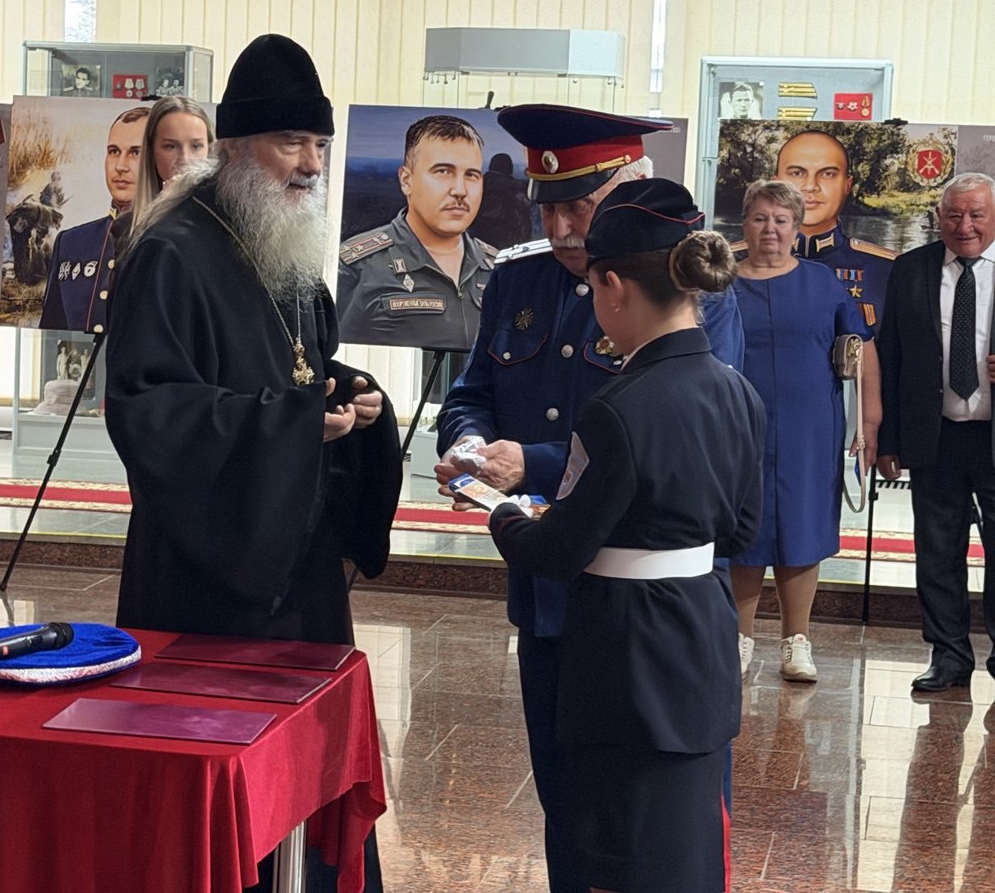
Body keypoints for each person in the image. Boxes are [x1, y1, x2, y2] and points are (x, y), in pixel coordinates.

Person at [105, 33, 401, 893]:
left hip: (297, 570)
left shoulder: (286, 243)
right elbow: (149, 412)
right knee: (223, 817)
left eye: (319, 146)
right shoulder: (172, 252)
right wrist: (294, 424)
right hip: (209, 577)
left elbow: (299, 367)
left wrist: (351, 400)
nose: (310, 166)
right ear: (234, 147)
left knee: (305, 795)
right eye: (290, 144)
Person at [434, 103, 743, 893]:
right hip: (551, 600)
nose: (563, 228)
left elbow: (685, 446)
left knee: (664, 823)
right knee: (569, 804)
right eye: (548, 208)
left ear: (629, 186)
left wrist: (527, 470)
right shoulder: (517, 279)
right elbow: (471, 393)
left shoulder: (691, 292)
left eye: (580, 206)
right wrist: (469, 447)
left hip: (647, 602)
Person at [730, 179, 881, 683]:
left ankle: (797, 641)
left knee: (802, 528)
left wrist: (868, 423)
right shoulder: (721, 285)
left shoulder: (823, 283)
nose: (770, 229)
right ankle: (738, 639)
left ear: (796, 228)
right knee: (743, 530)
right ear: (744, 224)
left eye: (781, 220)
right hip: (738, 427)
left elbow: (859, 349)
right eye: (760, 218)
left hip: (809, 430)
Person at [877, 171, 995, 693]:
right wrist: (888, 440)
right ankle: (948, 656)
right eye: (953, 215)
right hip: (935, 435)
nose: (964, 225)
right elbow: (890, 356)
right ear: (939, 218)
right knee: (937, 551)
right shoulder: (910, 269)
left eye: (977, 214)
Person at [337, 114, 496, 351]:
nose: (460, 190)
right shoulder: (358, 268)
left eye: (471, 175)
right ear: (406, 180)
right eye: (443, 171)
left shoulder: (499, 270)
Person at [39, 106, 149, 333]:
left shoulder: (174, 244)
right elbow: (52, 333)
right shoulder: (71, 243)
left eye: (136, 153)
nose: (120, 166)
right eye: (114, 151)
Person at [775, 129, 896, 329]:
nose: (811, 186)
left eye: (828, 174)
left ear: (847, 185)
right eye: (797, 173)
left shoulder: (889, 270)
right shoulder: (732, 262)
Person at [133, 95, 214, 214]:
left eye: (196, 146)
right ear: (151, 151)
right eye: (171, 146)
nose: (185, 159)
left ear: (210, 149)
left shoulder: (228, 219)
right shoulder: (124, 225)